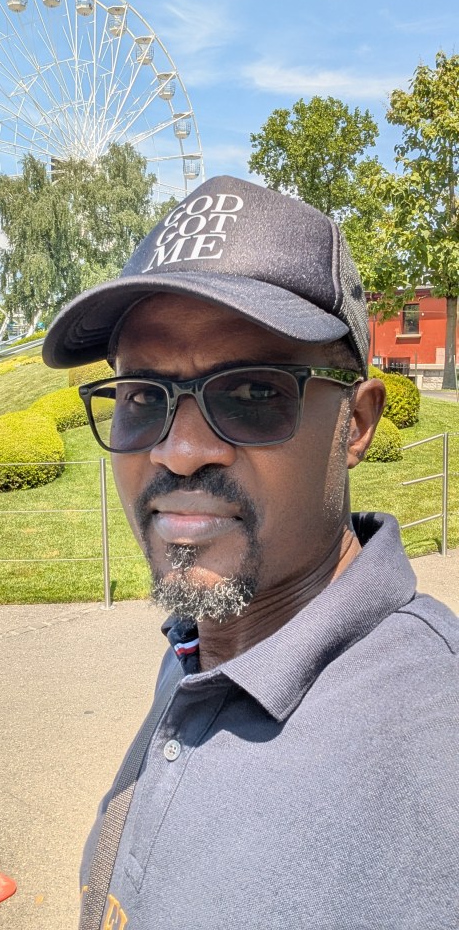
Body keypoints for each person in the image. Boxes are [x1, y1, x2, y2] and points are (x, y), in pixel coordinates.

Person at [43, 177, 458, 929]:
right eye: (142, 396)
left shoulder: (438, 746)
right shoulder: (201, 648)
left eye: (254, 393)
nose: (179, 450)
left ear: (357, 423)